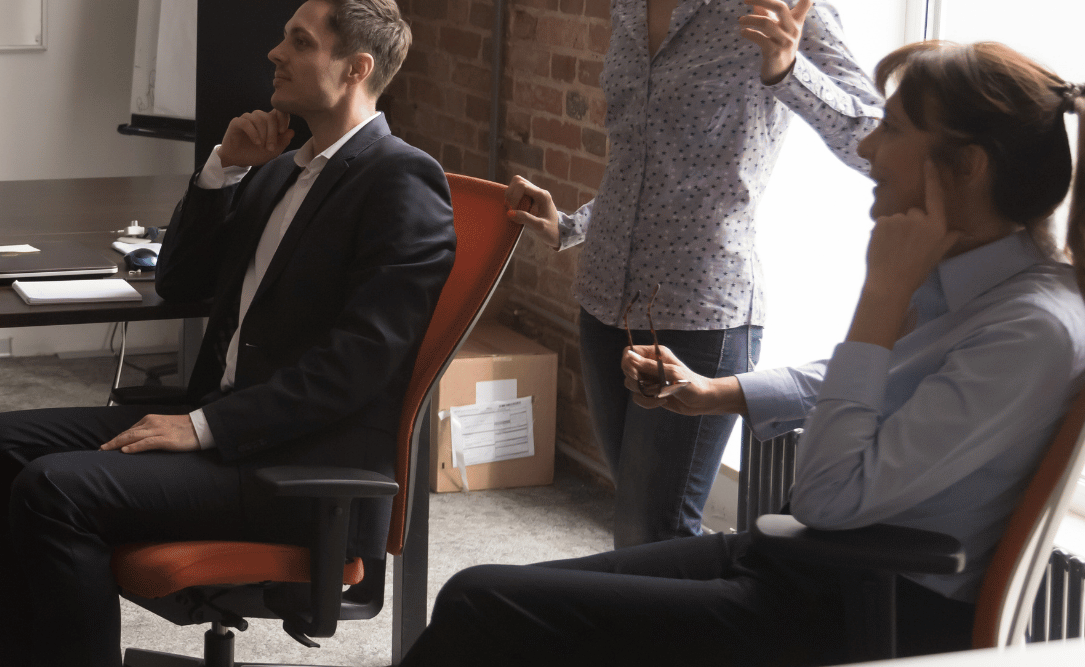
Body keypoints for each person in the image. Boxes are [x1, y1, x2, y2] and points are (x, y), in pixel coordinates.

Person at [401, 39, 1085, 665]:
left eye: (894, 127)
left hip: (859, 605)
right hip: (804, 568)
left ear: (965, 167)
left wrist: (879, 295)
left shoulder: (1031, 330)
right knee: (480, 596)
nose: (870, 149)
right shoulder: (984, 281)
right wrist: (716, 392)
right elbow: (890, 381)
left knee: (481, 605)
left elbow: (826, 495)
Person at [0, 0, 456, 667]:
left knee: (54, 490)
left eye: (298, 41)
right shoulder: (282, 170)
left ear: (356, 68)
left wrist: (197, 428)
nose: (274, 53)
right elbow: (180, 281)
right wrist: (222, 170)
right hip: (227, 427)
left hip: (296, 469)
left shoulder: (401, 180)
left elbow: (358, 364)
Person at [504, 0, 883, 546]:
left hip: (702, 313)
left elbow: (876, 142)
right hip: (605, 296)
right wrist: (570, 224)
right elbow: (644, 161)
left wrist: (786, 70)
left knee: (656, 532)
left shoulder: (774, 0)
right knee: (637, 528)